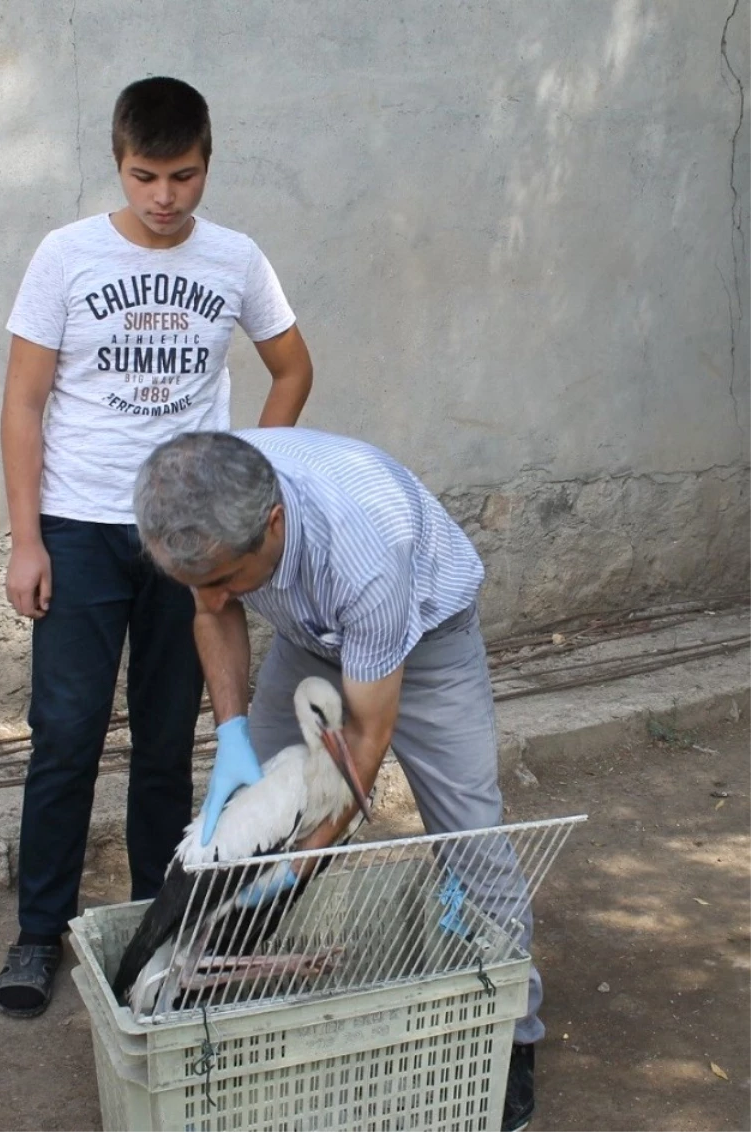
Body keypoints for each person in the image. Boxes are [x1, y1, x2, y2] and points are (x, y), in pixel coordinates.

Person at [0, 78, 314, 1018]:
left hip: (189, 536)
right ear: (118, 162)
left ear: (208, 163)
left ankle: (155, 921)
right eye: (145, 176)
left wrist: (247, 474)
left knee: (168, 743)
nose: (164, 197)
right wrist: (26, 541)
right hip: (83, 528)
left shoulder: (237, 259)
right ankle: (37, 933)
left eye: (182, 176)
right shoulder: (67, 256)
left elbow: (292, 366)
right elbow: (22, 402)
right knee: (65, 734)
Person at [132, 428, 541, 1132]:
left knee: (471, 836)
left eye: (229, 576)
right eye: (198, 580)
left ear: (275, 524)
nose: (216, 594)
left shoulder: (366, 554)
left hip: (425, 638)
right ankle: (219, 1013)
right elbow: (212, 609)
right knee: (243, 833)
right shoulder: (195, 504)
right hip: (308, 639)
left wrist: (310, 851)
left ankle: (514, 1036)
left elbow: (366, 742)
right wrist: (232, 736)